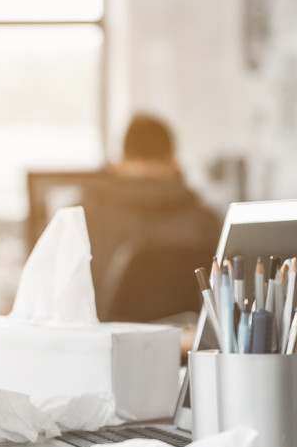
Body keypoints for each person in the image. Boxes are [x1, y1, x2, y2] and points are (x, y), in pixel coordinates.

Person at [83, 113, 222, 321]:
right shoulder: (206, 221)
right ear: (174, 162)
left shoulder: (85, 216)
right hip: (184, 347)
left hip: (107, 346)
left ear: (119, 163)